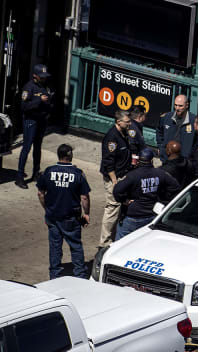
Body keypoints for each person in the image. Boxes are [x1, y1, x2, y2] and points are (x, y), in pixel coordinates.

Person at [36, 144, 90, 279]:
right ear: (70, 155)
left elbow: (40, 194)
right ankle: (80, 276)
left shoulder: (48, 171)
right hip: (71, 217)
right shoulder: (78, 174)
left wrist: (47, 209)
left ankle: (54, 276)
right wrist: (87, 213)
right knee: (75, 246)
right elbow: (84, 197)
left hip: (53, 216)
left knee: (55, 246)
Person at [113, 148, 180, 240]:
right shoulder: (160, 173)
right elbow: (175, 187)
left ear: (139, 161)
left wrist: (124, 200)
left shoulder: (133, 175)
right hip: (151, 215)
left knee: (120, 244)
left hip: (132, 216)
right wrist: (162, 200)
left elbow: (117, 190)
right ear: (151, 160)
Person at [17, 64, 54, 188]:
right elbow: (24, 107)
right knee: (26, 148)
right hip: (30, 121)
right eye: (41, 77)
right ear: (35, 75)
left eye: (45, 77)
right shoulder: (29, 88)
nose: (44, 79)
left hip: (42, 121)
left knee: (37, 149)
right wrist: (39, 101)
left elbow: (49, 102)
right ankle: (20, 177)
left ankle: (35, 173)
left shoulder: (45, 87)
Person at [99, 110, 132, 247]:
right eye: (127, 122)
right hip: (114, 178)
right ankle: (105, 242)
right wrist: (114, 181)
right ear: (119, 122)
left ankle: (114, 236)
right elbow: (108, 162)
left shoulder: (123, 134)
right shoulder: (112, 138)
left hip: (123, 175)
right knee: (112, 207)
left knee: (120, 207)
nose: (130, 124)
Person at [156, 94, 195, 161]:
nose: (177, 108)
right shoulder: (167, 117)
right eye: (175, 105)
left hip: (184, 160)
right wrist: (161, 147)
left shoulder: (193, 120)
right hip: (167, 158)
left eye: (180, 106)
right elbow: (159, 131)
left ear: (187, 105)